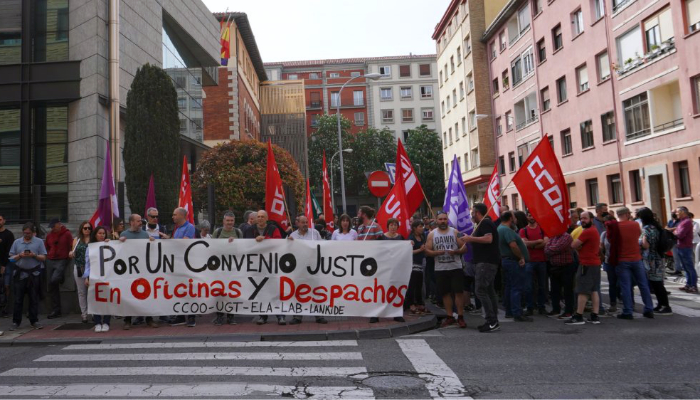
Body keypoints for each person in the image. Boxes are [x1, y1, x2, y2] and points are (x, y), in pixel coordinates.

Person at [462, 203, 501, 333]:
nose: (472, 215)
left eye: (473, 213)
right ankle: (493, 320)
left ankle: (492, 321)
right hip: (487, 262)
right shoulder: (483, 224)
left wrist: (470, 238)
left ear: (478, 213)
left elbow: (488, 239)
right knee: (489, 290)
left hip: (486, 262)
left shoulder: (485, 223)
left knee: (480, 290)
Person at [425, 211, 468, 328]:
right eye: (440, 219)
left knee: (458, 292)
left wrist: (456, 252)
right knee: (445, 293)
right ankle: (449, 316)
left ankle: (460, 317)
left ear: (447, 220)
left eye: (445, 219)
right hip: (440, 268)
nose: (443, 221)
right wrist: (435, 253)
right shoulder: (432, 234)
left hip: (455, 267)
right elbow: (427, 250)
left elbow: (464, 248)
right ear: (436, 221)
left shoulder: (455, 232)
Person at [244, 210, 285, 325]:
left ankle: (280, 315)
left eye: (262, 216)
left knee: (275, 289)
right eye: (258, 216)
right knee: (261, 290)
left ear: (267, 218)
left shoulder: (273, 229)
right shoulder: (249, 230)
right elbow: (245, 244)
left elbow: (278, 242)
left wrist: (264, 240)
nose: (260, 218)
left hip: (271, 264)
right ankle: (263, 315)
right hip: (256, 265)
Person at [119, 214, 158, 330]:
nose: (140, 222)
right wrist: (119, 242)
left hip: (143, 269)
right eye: (138, 221)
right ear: (131, 222)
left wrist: (152, 242)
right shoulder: (124, 235)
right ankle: (128, 320)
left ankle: (149, 319)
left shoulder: (145, 234)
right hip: (129, 271)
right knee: (128, 294)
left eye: (141, 221)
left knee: (146, 294)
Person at [615, 207, 655, 319]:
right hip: (636, 258)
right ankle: (649, 309)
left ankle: (628, 311)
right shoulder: (635, 225)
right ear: (627, 214)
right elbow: (639, 237)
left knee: (626, 286)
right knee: (643, 285)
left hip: (622, 259)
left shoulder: (616, 226)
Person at [287, 216, 328, 325]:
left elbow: (321, 247)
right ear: (298, 223)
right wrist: (288, 242)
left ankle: (319, 316)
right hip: (299, 268)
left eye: (306, 222)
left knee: (316, 291)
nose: (305, 224)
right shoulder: (293, 235)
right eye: (303, 222)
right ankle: (297, 316)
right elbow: (289, 251)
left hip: (313, 267)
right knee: (299, 291)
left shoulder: (315, 233)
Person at [8, 222, 46, 331]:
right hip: (20, 274)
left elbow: (44, 258)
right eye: (25, 233)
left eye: (28, 233)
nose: (26, 235)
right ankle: (16, 322)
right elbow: (10, 258)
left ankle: (34, 321)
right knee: (18, 299)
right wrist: (19, 255)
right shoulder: (17, 242)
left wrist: (34, 255)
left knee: (34, 299)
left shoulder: (38, 242)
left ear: (33, 232)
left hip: (34, 274)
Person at [566, 212, 601, 325]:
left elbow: (573, 245)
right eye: (581, 218)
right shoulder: (594, 230)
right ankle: (595, 316)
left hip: (587, 264)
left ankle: (579, 316)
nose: (582, 220)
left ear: (591, 219)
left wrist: (579, 246)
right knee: (594, 290)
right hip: (594, 263)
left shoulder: (588, 231)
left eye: (585, 218)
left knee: (582, 290)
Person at [637, 208, 672, 315]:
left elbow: (645, 244)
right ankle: (661, 304)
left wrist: (638, 243)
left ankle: (665, 306)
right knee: (657, 283)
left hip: (651, 259)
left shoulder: (646, 229)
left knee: (656, 284)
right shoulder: (656, 227)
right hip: (658, 257)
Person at [497, 211, 532, 322]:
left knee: (509, 286)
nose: (516, 220)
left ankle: (509, 311)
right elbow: (513, 245)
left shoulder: (500, 228)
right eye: (514, 217)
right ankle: (517, 313)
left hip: (507, 261)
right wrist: (521, 257)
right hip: (513, 261)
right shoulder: (506, 230)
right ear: (510, 219)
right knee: (516, 287)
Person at [212, 211, 243, 326]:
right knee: (219, 291)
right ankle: (219, 315)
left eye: (232, 221)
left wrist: (234, 244)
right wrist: (225, 243)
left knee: (231, 292)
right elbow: (212, 248)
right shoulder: (218, 232)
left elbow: (243, 248)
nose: (230, 223)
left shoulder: (238, 232)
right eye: (228, 220)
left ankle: (231, 316)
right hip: (219, 267)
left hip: (233, 267)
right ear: (224, 221)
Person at [169, 207, 197, 327]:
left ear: (181, 215)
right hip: (178, 263)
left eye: (175, 214)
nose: (173, 217)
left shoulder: (189, 227)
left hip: (187, 264)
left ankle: (191, 317)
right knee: (179, 290)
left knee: (189, 290)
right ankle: (181, 316)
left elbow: (184, 243)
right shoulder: (177, 229)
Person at [519, 212, 548, 316]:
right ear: (527, 217)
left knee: (542, 286)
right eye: (530, 215)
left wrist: (532, 245)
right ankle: (530, 307)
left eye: (533, 215)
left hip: (541, 261)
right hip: (529, 261)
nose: (532, 217)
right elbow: (524, 243)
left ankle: (541, 307)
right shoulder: (523, 230)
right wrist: (538, 241)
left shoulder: (542, 229)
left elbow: (546, 242)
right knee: (528, 286)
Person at [83, 226, 111, 332]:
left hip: (107, 276)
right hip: (94, 276)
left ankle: (107, 322)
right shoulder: (90, 248)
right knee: (96, 300)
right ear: (95, 235)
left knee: (108, 299)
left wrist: (110, 243)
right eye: (99, 233)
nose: (102, 235)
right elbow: (88, 264)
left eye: (103, 233)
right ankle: (98, 322)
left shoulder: (109, 245)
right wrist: (87, 277)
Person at [44, 218, 73, 319]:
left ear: (59, 224)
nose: (52, 228)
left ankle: (60, 277)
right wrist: (49, 254)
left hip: (61, 259)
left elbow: (72, 246)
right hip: (51, 260)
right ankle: (56, 309)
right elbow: (46, 246)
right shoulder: (49, 235)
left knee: (54, 280)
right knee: (52, 285)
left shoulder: (67, 234)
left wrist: (69, 254)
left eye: (53, 226)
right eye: (51, 226)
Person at [545, 231, 576, 319]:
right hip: (554, 267)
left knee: (567, 290)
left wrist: (549, 248)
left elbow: (558, 248)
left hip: (566, 267)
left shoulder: (567, 237)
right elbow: (546, 249)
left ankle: (568, 311)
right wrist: (549, 248)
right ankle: (556, 309)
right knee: (555, 290)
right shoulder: (553, 237)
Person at [68, 221, 92, 323]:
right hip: (79, 267)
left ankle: (94, 312)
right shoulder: (76, 240)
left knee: (92, 291)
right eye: (85, 228)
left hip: (92, 268)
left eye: (89, 228)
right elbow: (72, 252)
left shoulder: (94, 239)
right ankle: (84, 314)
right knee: (81, 292)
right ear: (81, 229)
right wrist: (71, 253)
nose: (87, 230)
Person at [673, 206, 698, 293]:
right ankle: (688, 284)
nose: (676, 214)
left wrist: (675, 233)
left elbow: (679, 235)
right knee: (685, 267)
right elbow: (676, 232)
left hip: (685, 247)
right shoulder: (682, 222)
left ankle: (693, 286)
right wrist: (675, 232)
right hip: (681, 246)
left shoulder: (686, 222)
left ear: (682, 212)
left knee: (689, 267)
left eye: (677, 212)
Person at [407, 220, 427, 315]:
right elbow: (409, 252)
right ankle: (411, 303)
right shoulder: (411, 238)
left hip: (421, 262)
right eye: (420, 226)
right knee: (412, 284)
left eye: (422, 226)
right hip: (413, 263)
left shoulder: (422, 237)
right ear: (415, 228)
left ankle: (419, 302)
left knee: (419, 284)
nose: (422, 228)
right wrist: (420, 249)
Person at [0, 214, 16, 319]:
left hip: (6, 264)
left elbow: (9, 252)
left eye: (0, 220)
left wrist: (3, 265)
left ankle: (4, 308)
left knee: (6, 285)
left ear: (4, 221)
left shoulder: (8, 234)